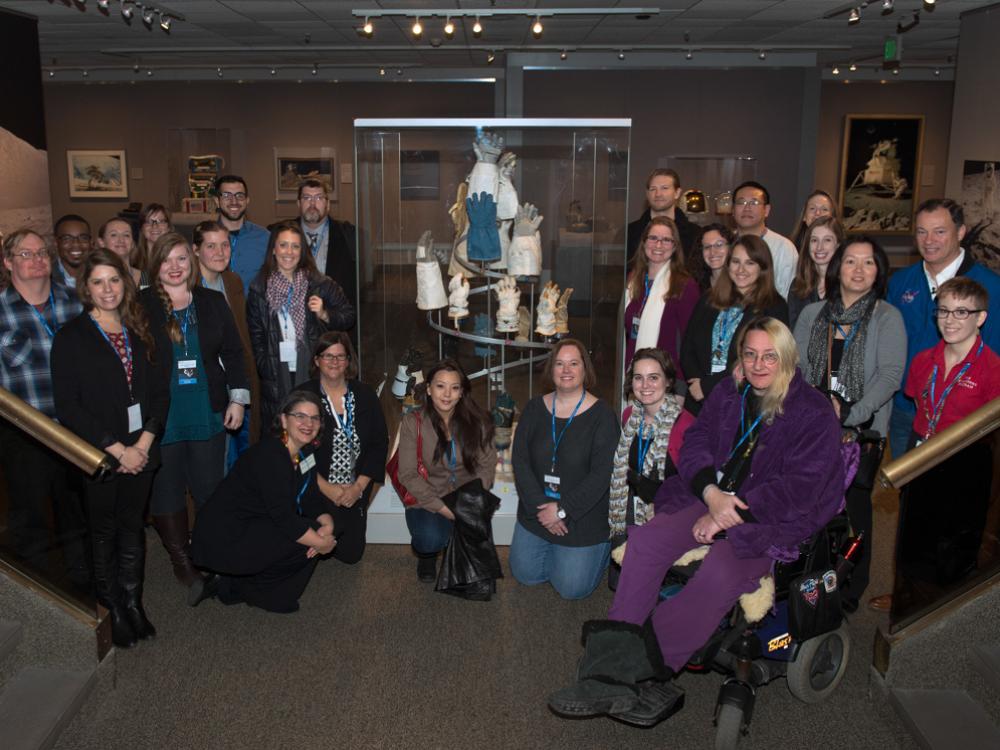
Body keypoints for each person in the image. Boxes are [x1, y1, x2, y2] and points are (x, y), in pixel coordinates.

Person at [548, 317, 845, 725]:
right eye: (750, 354)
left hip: (769, 516)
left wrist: (727, 515)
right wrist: (710, 496)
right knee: (648, 541)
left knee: (720, 571)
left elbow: (800, 489)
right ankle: (612, 660)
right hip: (713, 496)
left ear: (788, 359)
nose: (758, 365)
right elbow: (697, 444)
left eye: (769, 357)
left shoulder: (812, 412)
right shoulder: (732, 390)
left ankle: (647, 663)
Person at [51, 249, 170, 648]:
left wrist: (145, 443)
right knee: (103, 533)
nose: (107, 289)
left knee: (132, 527)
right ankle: (113, 609)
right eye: (98, 282)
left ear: (126, 283)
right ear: (86, 287)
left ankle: (134, 603)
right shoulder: (71, 338)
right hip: (100, 455)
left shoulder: (141, 328)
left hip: (143, 448)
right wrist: (120, 450)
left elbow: (158, 392)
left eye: (114, 280)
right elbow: (69, 406)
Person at [794, 236, 905, 610]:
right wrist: (813, 409)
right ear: (837, 267)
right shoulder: (813, 315)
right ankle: (810, 576)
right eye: (851, 261)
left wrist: (849, 414)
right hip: (811, 428)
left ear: (879, 271)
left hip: (860, 431)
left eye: (868, 262)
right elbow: (798, 369)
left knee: (854, 511)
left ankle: (852, 585)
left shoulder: (887, 317)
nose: (859, 270)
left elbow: (890, 376)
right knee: (809, 504)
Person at [878, 277, 1000, 612]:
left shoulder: (992, 369)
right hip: (923, 455)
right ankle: (906, 603)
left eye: (962, 312)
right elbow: (921, 406)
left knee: (955, 546)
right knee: (912, 540)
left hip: (966, 463)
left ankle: (945, 616)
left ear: (981, 318)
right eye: (944, 310)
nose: (949, 320)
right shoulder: (923, 361)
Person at [140, 232, 250, 592]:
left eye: (181, 259)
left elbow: (234, 352)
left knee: (209, 488)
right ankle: (181, 561)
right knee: (167, 489)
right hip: (161, 415)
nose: (175, 267)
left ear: (192, 263)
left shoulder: (212, 301)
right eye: (167, 260)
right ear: (155, 266)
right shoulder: (138, 305)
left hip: (207, 409)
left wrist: (238, 399)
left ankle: (208, 551)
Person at [189, 391, 337, 613]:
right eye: (300, 416)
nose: (308, 423)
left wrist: (327, 524)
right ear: (284, 420)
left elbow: (310, 495)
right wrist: (319, 541)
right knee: (307, 538)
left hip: (255, 522)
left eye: (314, 418)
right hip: (225, 534)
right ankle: (239, 586)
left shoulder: (305, 452)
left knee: (321, 530)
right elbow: (285, 518)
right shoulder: (271, 455)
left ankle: (232, 583)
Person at [0, 229, 89, 584]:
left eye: (42, 253)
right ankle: (39, 598)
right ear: (8, 263)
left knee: (78, 516)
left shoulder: (75, 304)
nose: (36, 260)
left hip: (75, 430)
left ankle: (85, 592)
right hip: (25, 436)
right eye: (25, 254)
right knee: (31, 519)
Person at [886, 198, 1000, 460]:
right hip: (907, 409)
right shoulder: (901, 282)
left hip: (962, 417)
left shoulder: (990, 288)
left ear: (960, 232)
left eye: (940, 231)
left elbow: (994, 354)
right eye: (921, 231)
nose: (929, 240)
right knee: (909, 491)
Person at [510, 339, 619, 599]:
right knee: (525, 574)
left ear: (585, 369)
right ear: (551, 369)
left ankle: (599, 553)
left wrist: (562, 510)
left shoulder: (603, 416)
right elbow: (520, 461)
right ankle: (560, 551)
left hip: (582, 515)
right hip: (538, 510)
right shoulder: (534, 408)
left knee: (571, 589)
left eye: (573, 363)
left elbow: (602, 475)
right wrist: (542, 507)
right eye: (559, 363)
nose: (566, 370)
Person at [247, 222, 355, 430]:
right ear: (273, 250)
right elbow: (256, 337)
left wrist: (324, 313)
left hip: (311, 368)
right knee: (283, 433)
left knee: (313, 428)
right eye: (283, 245)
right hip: (277, 374)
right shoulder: (259, 289)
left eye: (295, 246)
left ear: (302, 251)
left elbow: (348, 316)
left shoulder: (319, 284)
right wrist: (266, 368)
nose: (289, 252)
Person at [397, 358, 496, 581]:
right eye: (440, 386)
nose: (447, 394)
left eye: (454, 387)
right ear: (429, 389)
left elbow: (487, 465)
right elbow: (408, 474)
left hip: (466, 496)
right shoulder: (413, 423)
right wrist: (443, 508)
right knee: (429, 539)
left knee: (475, 578)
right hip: (428, 496)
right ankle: (427, 556)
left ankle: (455, 537)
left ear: (462, 392)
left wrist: (470, 503)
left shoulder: (478, 422)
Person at [607, 348, 695, 589]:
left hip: (668, 510)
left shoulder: (685, 425)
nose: (645, 385)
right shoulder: (628, 416)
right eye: (638, 377)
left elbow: (691, 488)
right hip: (631, 500)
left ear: (668, 382)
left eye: (653, 377)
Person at [298, 331, 388, 565]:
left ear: (349, 361)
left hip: (354, 486)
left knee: (351, 554)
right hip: (316, 483)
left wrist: (358, 487)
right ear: (316, 361)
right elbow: (295, 450)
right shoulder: (303, 397)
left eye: (340, 356)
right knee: (315, 540)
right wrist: (325, 487)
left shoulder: (365, 395)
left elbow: (379, 443)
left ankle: (325, 532)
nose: (334, 362)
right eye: (327, 356)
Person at [680, 235, 789, 415]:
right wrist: (697, 383)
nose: (741, 269)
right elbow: (687, 347)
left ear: (762, 267)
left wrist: (708, 386)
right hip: (698, 401)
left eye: (750, 263)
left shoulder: (774, 307)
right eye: (736, 261)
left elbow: (764, 360)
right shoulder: (709, 298)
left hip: (742, 401)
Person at [192, 220, 260, 461]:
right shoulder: (186, 287)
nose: (220, 252)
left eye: (225, 245)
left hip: (239, 380)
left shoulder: (233, 282)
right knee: (216, 459)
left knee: (244, 453)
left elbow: (240, 333)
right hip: (208, 387)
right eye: (211, 246)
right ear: (195, 250)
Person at [623, 217, 700, 379]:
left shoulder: (685, 285)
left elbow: (690, 342)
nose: (658, 245)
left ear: (674, 247)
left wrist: (680, 386)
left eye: (666, 240)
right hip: (634, 374)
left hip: (668, 379)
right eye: (653, 238)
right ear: (644, 243)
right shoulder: (633, 279)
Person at [297, 178, 359, 320]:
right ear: (299, 203)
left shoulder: (349, 235)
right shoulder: (282, 234)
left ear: (328, 204)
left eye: (319, 197)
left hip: (332, 319)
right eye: (307, 198)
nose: (312, 203)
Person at [732, 181, 798, 299]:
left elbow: (787, 295)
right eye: (741, 202)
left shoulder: (783, 247)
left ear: (766, 210)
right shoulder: (725, 243)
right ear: (732, 210)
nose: (747, 208)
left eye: (754, 202)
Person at [626, 169, 698, 263]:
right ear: (647, 194)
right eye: (653, 189)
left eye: (664, 188)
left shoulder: (695, 234)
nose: (658, 194)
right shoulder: (629, 233)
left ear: (677, 193)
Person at [214, 174, 270, 292]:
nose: (234, 201)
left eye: (239, 195)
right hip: (216, 309)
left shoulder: (265, 238)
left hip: (253, 309)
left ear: (247, 200)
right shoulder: (206, 238)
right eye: (226, 195)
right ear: (217, 201)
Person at [787, 216, 845, 329]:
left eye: (827, 240)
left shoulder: (848, 285)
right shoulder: (797, 286)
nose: (819, 247)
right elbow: (793, 331)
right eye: (814, 240)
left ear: (838, 245)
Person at [96, 217, 143, 288]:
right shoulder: (94, 276)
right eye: (114, 235)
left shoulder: (144, 278)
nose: (121, 240)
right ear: (101, 242)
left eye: (126, 235)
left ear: (132, 243)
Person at [688, 223, 734, 292]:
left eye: (719, 245)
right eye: (707, 247)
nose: (712, 252)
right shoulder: (696, 284)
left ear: (731, 247)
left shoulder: (740, 282)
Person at [134, 203, 172, 284]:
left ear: (168, 227)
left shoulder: (178, 259)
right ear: (142, 228)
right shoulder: (132, 260)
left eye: (161, 221)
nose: (154, 226)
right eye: (148, 222)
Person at [52, 214, 92, 289]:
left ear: (90, 242)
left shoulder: (101, 272)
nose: (76, 244)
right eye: (67, 239)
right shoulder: (45, 278)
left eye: (83, 238)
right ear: (56, 243)